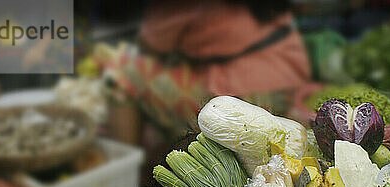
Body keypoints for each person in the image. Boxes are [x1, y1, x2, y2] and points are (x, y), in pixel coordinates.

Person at [100, 0, 316, 145]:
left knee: (120, 74)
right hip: (286, 74)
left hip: (246, 92)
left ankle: (123, 184)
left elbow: (150, 42)